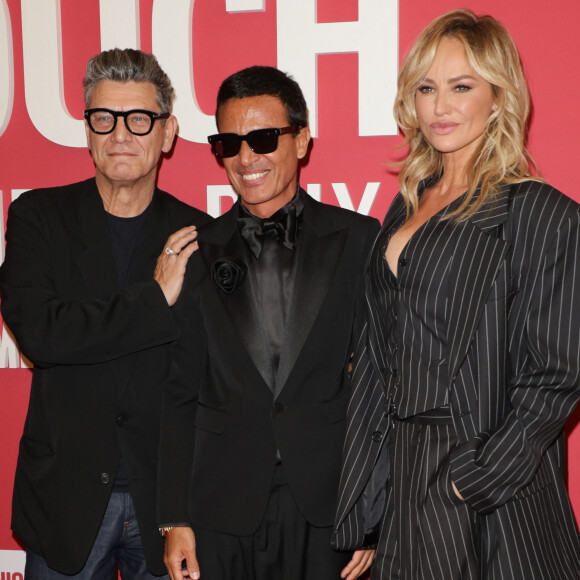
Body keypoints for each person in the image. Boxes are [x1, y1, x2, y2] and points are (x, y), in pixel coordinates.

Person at [333, 9, 580, 579]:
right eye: (426, 88)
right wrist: (369, 499)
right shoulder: (407, 203)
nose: (439, 106)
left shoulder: (539, 212)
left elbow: (558, 373)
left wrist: (473, 478)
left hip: (476, 478)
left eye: (461, 87)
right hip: (401, 475)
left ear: (498, 97)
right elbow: (377, 354)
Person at [157, 65, 379, 580]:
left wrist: (370, 510)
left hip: (328, 506)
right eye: (229, 143)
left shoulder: (360, 241)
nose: (246, 158)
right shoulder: (194, 252)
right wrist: (174, 519)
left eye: (262, 138)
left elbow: (379, 386)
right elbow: (177, 392)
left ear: (301, 141)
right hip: (220, 508)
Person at [0, 48, 212, 578]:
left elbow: (204, 371)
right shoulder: (37, 218)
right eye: (104, 118)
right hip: (64, 502)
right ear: (88, 130)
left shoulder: (199, 235)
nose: (121, 133)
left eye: (139, 119)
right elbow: (42, 333)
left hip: (166, 506)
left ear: (168, 133)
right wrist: (153, 298)